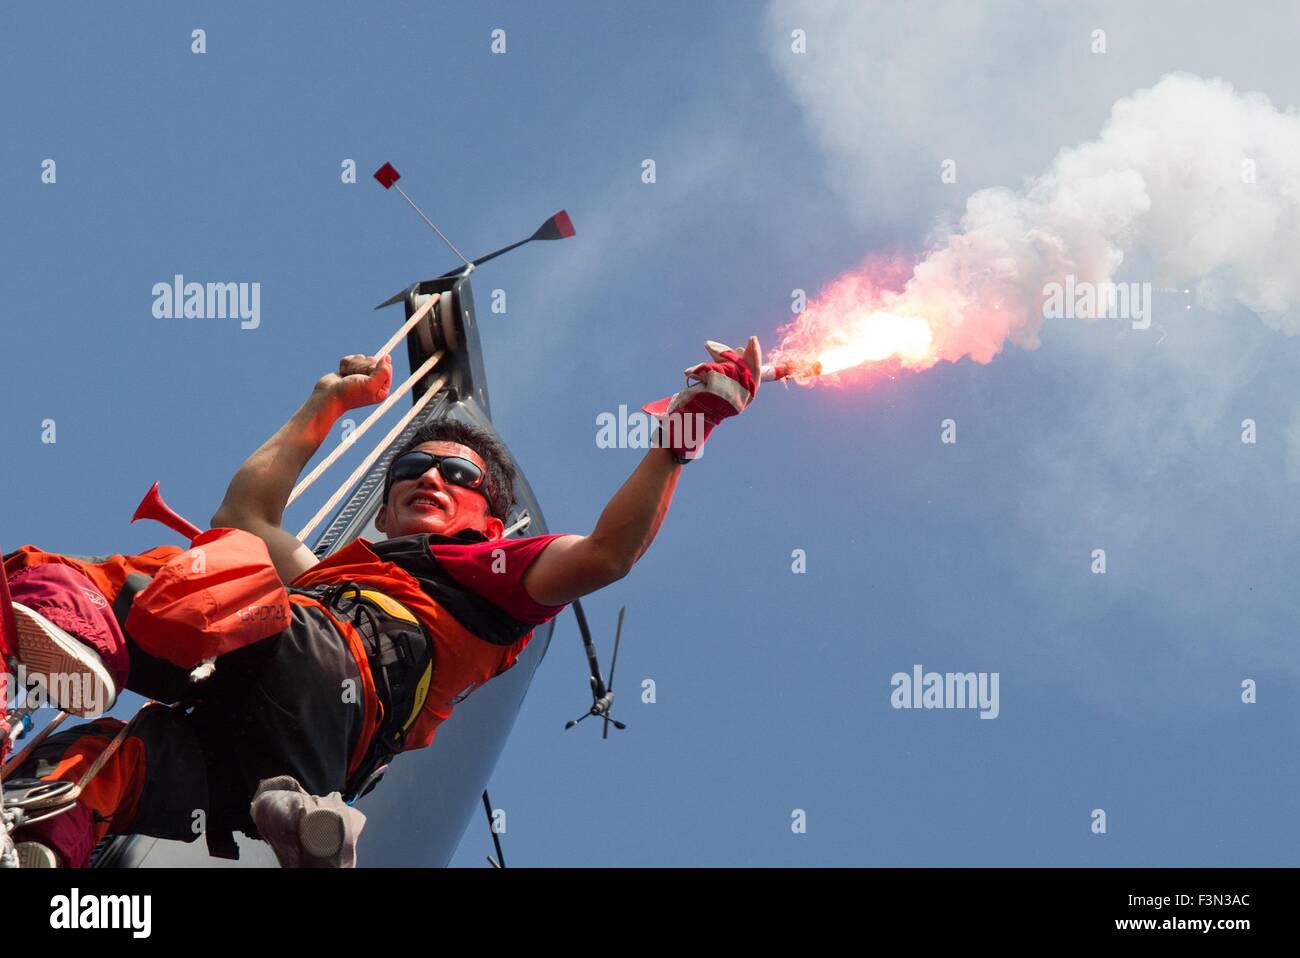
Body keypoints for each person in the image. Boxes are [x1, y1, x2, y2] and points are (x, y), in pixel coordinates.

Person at [1, 337, 762, 867]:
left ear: (491, 520)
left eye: (458, 475)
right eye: (416, 467)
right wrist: (328, 402)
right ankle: (38, 846)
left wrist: (684, 430)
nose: (432, 477)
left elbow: (607, 553)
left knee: (203, 573)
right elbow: (252, 514)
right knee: (109, 755)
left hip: (334, 681)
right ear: (388, 507)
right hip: (268, 761)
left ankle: (74, 637)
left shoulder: (491, 575)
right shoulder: (335, 572)